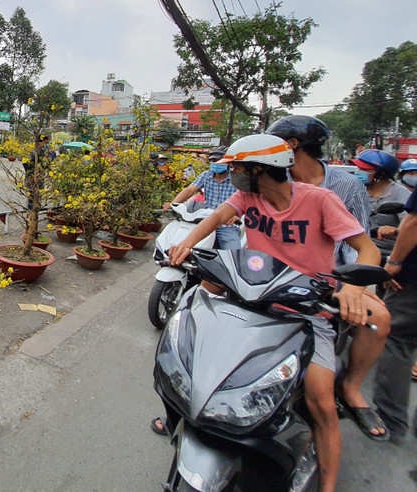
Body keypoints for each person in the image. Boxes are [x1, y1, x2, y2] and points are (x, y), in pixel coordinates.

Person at [163, 134, 388, 492]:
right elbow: (218, 217)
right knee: (198, 346)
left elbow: (367, 250)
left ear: (257, 169)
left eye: (236, 168)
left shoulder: (320, 201)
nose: (231, 173)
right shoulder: (248, 196)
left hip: (306, 310)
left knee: (321, 402)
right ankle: (184, 414)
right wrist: (186, 243)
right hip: (253, 297)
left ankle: (327, 483)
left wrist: (354, 290)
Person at [267, 115, 371, 265]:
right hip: (275, 272)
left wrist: (354, 284)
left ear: (293, 144)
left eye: (274, 144)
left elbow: (355, 245)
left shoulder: (348, 185)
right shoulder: (272, 181)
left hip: (327, 279)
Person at [373, 179, 417, 442]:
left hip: (412, 284)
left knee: (397, 340)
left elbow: (413, 223)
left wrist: (394, 263)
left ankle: (391, 421)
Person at [162, 146, 240, 249]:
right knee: (182, 246)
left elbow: (246, 201)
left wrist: (237, 215)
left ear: (229, 163)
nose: (216, 163)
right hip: (206, 222)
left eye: (220, 161)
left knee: (234, 254)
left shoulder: (237, 179)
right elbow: (189, 190)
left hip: (226, 225)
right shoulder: (206, 176)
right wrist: (173, 203)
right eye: (213, 160)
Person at [351, 149, 410, 233]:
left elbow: (409, 223)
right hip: (356, 243)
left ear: (381, 174)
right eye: (359, 168)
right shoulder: (355, 190)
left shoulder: (400, 193)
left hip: (386, 245)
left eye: (365, 170)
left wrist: (393, 230)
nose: (359, 172)